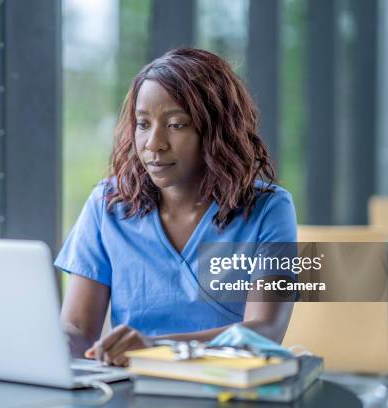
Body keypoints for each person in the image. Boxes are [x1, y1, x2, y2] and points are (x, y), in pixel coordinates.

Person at [55, 48, 296, 367]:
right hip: (132, 392)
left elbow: (264, 331)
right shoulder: (107, 206)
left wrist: (155, 346)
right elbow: (79, 331)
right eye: (143, 124)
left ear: (216, 130)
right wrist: (39, 340)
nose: (154, 143)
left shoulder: (270, 208)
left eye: (177, 125)